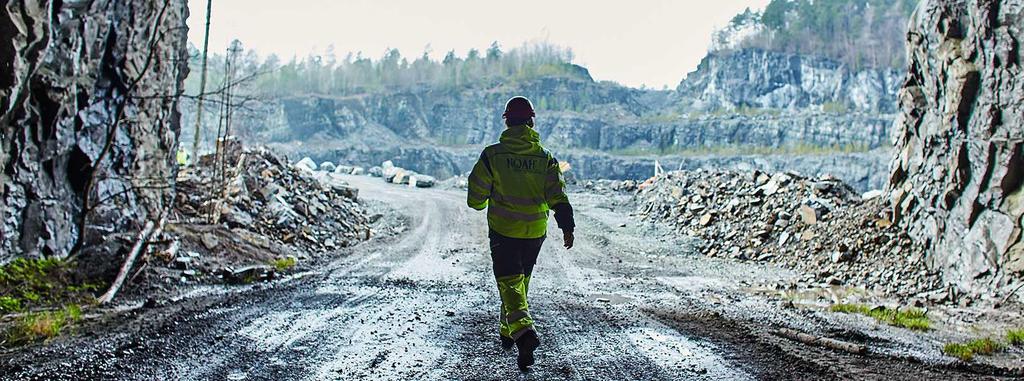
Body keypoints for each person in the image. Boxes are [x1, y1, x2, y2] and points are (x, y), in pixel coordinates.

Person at [466, 96, 575, 371]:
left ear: (507, 122)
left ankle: (524, 334)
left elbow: (475, 198)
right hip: (534, 233)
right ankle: (508, 331)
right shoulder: (545, 158)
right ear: (531, 121)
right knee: (519, 283)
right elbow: (558, 196)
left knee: (509, 283)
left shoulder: (493, 155)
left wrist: (483, 201)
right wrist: (567, 226)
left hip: (504, 232)